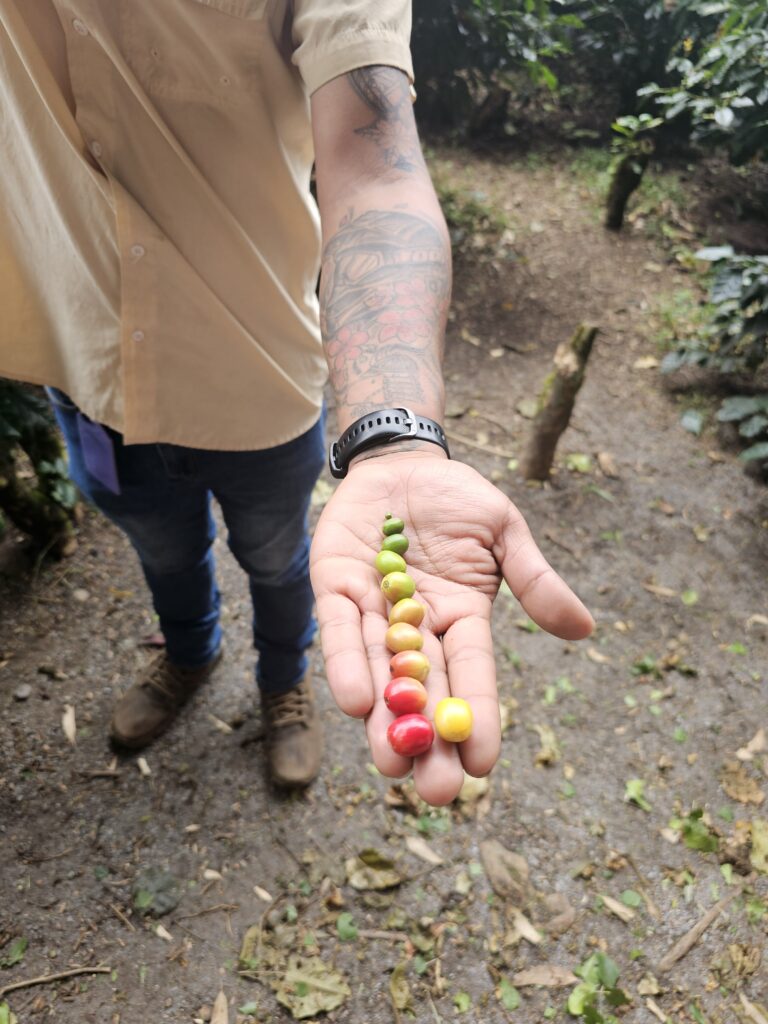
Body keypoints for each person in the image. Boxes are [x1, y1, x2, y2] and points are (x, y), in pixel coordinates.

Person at [0, 0, 594, 804]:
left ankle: (285, 682)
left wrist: (395, 438)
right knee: (164, 553)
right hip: (88, 376)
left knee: (281, 564)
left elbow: (376, 167)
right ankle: (190, 653)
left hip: (257, 382)